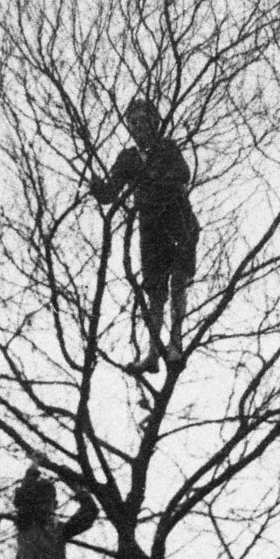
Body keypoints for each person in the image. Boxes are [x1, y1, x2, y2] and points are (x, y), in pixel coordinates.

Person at [89, 96, 199, 376]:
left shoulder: (167, 149)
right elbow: (109, 193)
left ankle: (175, 346)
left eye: (142, 120)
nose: (137, 126)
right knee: (155, 291)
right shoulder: (127, 158)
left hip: (177, 220)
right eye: (132, 122)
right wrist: (97, 186)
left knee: (178, 282)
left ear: (153, 121)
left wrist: (151, 179)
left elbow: (182, 175)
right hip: (150, 228)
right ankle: (152, 353)